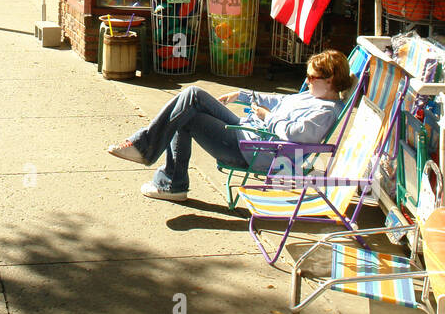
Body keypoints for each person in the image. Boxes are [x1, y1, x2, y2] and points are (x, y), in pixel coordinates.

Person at [106, 49, 355, 201]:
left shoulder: (324, 110)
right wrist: (242, 95)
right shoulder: (311, 95)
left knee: (187, 109)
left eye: (313, 77)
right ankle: (161, 170)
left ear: (331, 79)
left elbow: (297, 135)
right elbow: (280, 99)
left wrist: (268, 117)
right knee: (190, 98)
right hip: (249, 134)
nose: (308, 80)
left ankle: (157, 164)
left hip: (255, 150)